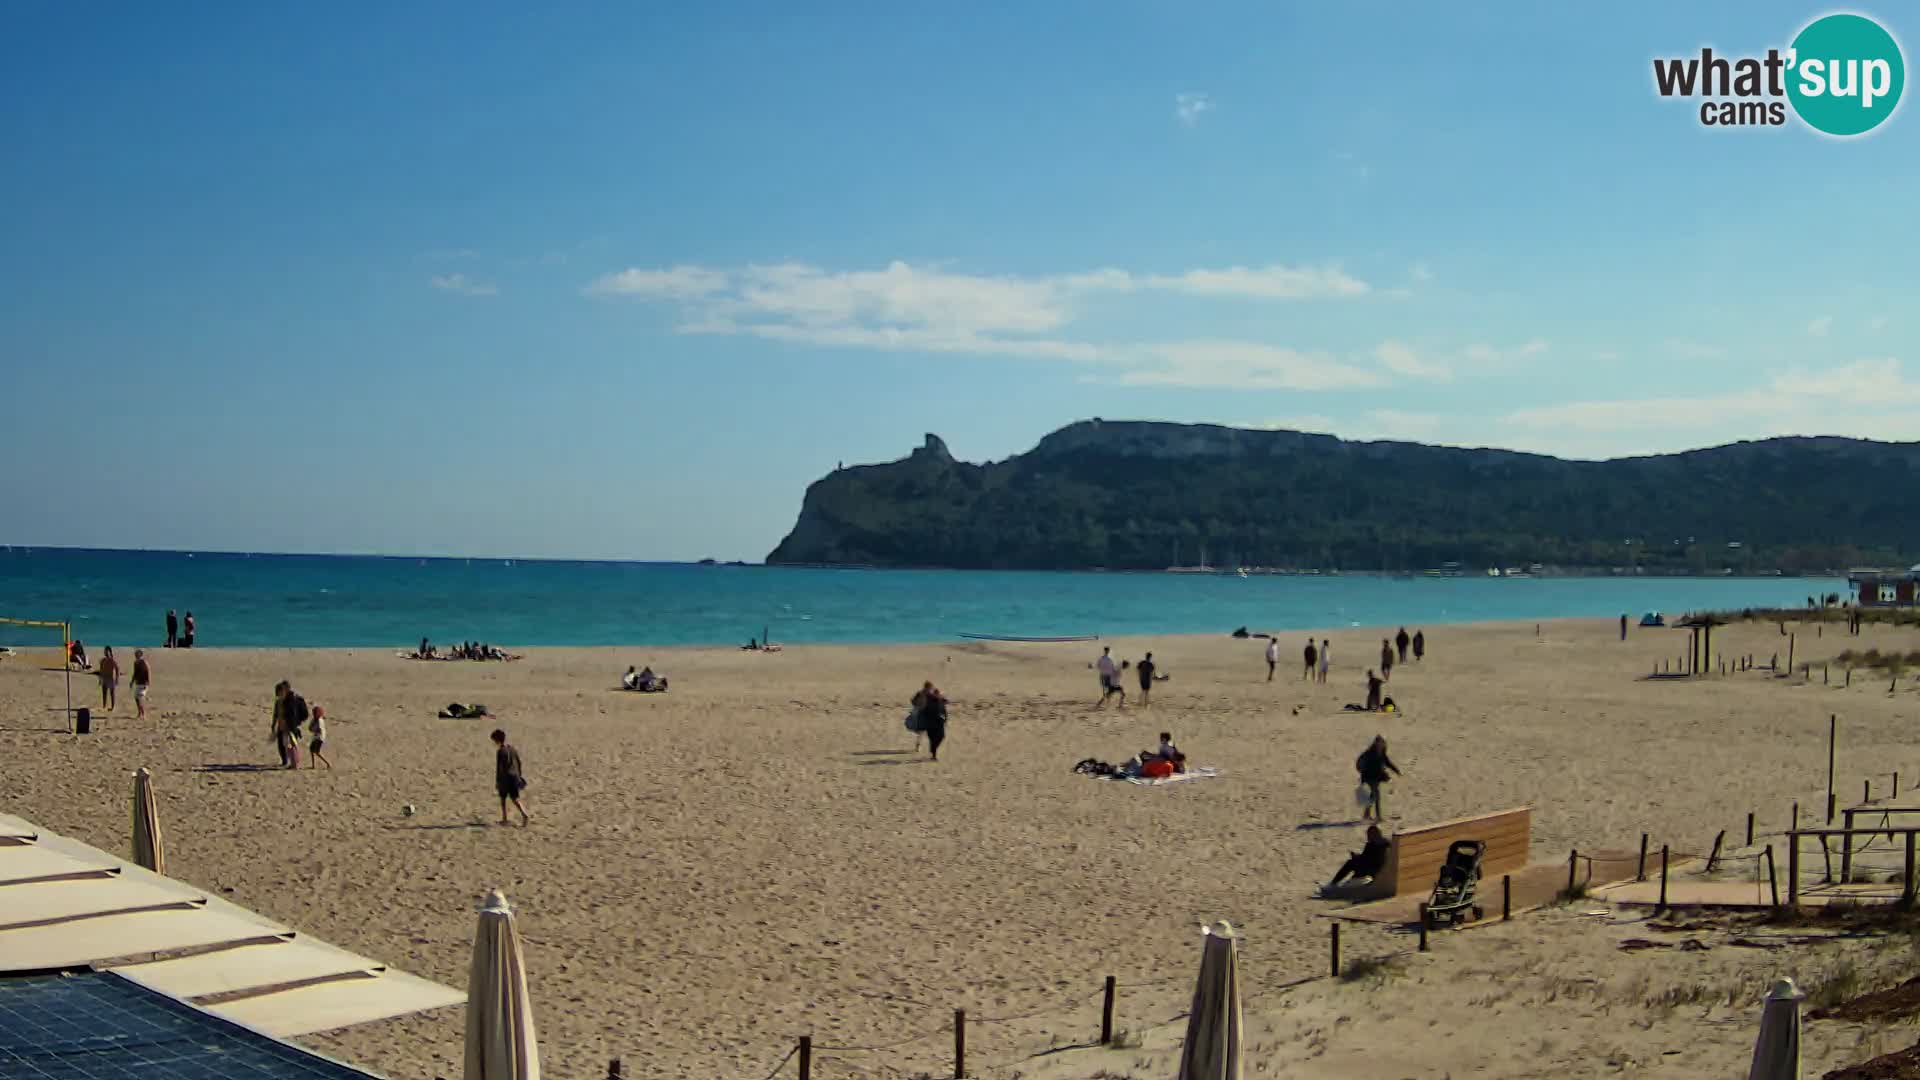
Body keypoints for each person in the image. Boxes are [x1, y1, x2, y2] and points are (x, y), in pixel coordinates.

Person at [1356, 735, 1401, 822]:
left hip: (1376, 777)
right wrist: (1384, 775)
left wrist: (1396, 771)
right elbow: (1372, 767)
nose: (1381, 745)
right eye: (1379, 743)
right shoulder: (1370, 754)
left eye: (1382, 743)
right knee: (1376, 796)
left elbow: (1388, 763)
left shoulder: (1382, 753)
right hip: (1369, 777)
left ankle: (1367, 814)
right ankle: (1378, 817)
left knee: (1373, 796)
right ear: (1375, 743)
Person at [492, 729, 529, 826]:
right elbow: (519, 762)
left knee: (503, 798)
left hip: (505, 778)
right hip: (515, 776)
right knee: (515, 798)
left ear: (497, 740)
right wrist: (519, 775)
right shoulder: (512, 749)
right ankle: (524, 814)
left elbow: (499, 768)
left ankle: (505, 819)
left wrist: (498, 781)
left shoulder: (500, 751)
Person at [97, 647, 121, 711]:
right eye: (105, 651)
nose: (106, 653)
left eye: (107, 651)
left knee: (112, 693)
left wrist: (117, 679)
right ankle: (104, 706)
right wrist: (100, 679)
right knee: (104, 692)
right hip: (104, 678)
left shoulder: (113, 660)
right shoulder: (103, 660)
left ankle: (113, 707)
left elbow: (117, 669)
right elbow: (101, 670)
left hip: (111, 678)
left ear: (110, 652)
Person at [131, 649, 152, 720]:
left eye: (137, 654)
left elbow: (148, 671)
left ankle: (143, 714)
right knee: (136, 698)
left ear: (140, 654)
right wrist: (132, 681)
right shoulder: (135, 662)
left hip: (143, 683)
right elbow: (135, 673)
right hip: (138, 683)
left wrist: (148, 682)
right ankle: (139, 713)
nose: (136, 655)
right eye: (135, 654)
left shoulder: (144, 662)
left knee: (140, 698)